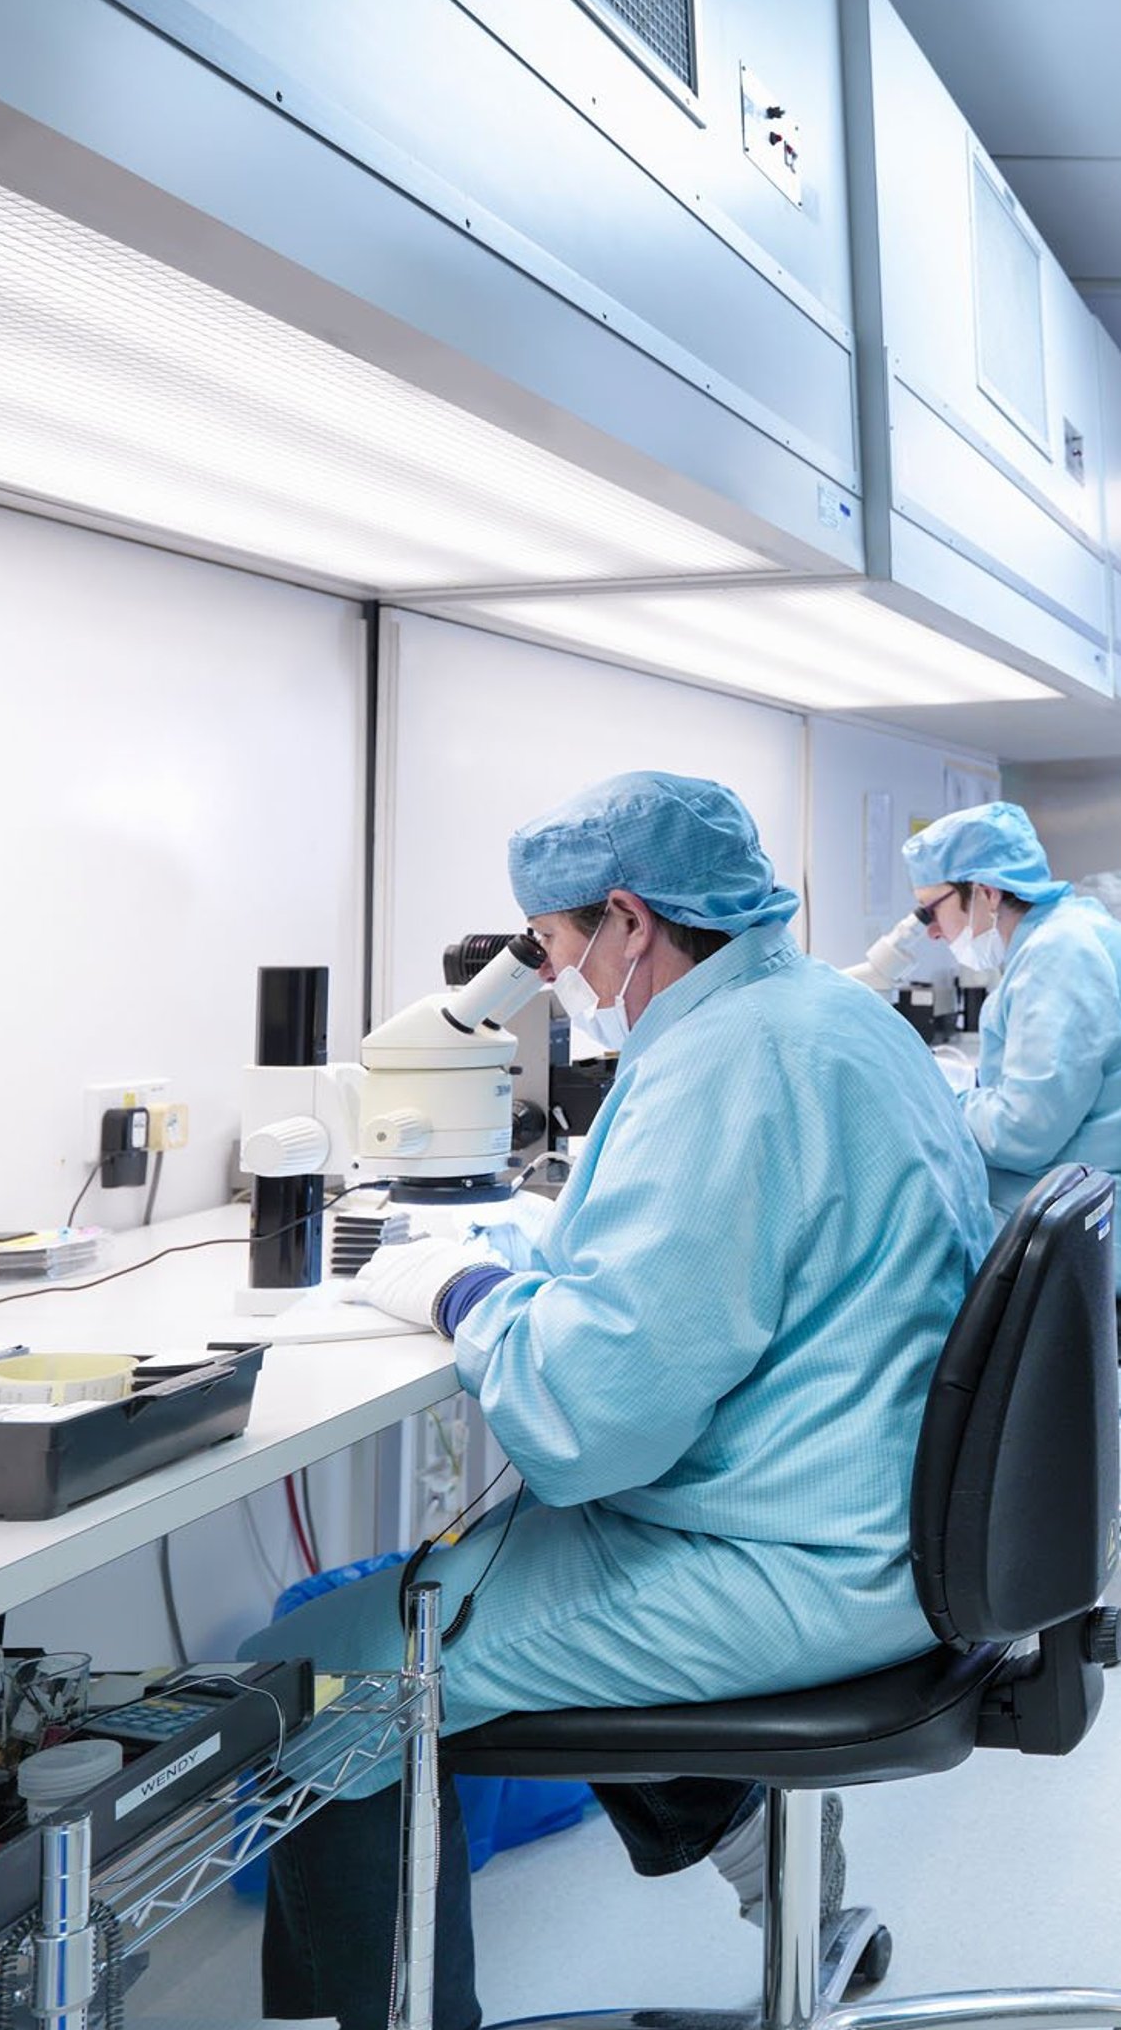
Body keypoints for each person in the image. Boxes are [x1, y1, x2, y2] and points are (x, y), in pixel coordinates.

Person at [251, 771, 993, 2030]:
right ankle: (786, 1885)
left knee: (322, 1665)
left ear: (631, 921)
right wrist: (517, 1266)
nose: (563, 983)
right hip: (865, 1517)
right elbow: (675, 1265)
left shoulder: (725, 1066)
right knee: (517, 1579)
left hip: (797, 1563)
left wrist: (459, 1293)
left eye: (556, 947)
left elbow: (600, 1414)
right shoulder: (811, 1014)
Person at [898, 801, 1121, 1298]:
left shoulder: (1061, 955)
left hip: (1100, 1226)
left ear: (985, 892)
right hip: (1112, 1202)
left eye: (932, 909)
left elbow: (1020, 1134)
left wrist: (942, 1099)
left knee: (906, 1214)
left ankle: (935, 1377)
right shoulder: (1070, 934)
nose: (933, 930)